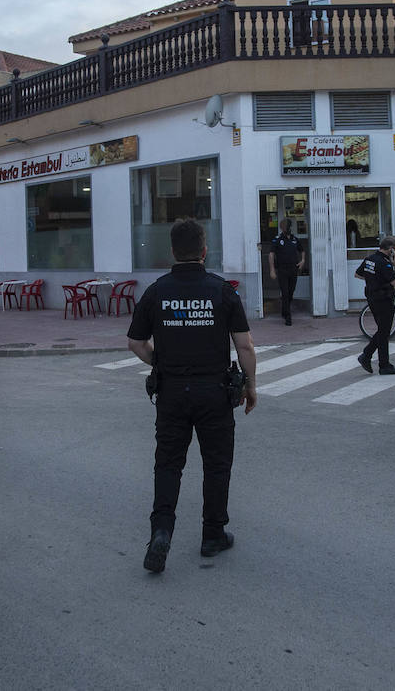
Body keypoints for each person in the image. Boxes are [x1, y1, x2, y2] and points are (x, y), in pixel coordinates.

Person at [127, 219, 258, 574]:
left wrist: (162, 362)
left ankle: (161, 531)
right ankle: (213, 534)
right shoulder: (222, 291)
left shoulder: (156, 291)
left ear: (172, 251)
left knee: (168, 464)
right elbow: (244, 344)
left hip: (172, 392)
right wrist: (251, 385)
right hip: (214, 392)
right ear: (204, 251)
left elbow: (136, 343)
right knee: (216, 464)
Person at [356, 235, 395, 375]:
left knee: (383, 331)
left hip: (372, 298)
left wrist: (372, 280)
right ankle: (367, 355)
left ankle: (383, 364)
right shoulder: (385, 263)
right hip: (384, 300)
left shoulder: (369, 259)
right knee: (384, 331)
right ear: (391, 250)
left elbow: (357, 274)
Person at [267, 218, 306, 326]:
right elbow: (271, 254)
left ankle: (285, 310)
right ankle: (288, 317)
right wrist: (272, 270)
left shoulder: (294, 239)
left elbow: (302, 251)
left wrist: (302, 261)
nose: (287, 228)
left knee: (291, 292)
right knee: (285, 293)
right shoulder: (278, 239)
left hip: (293, 270)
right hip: (282, 270)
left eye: (288, 226)